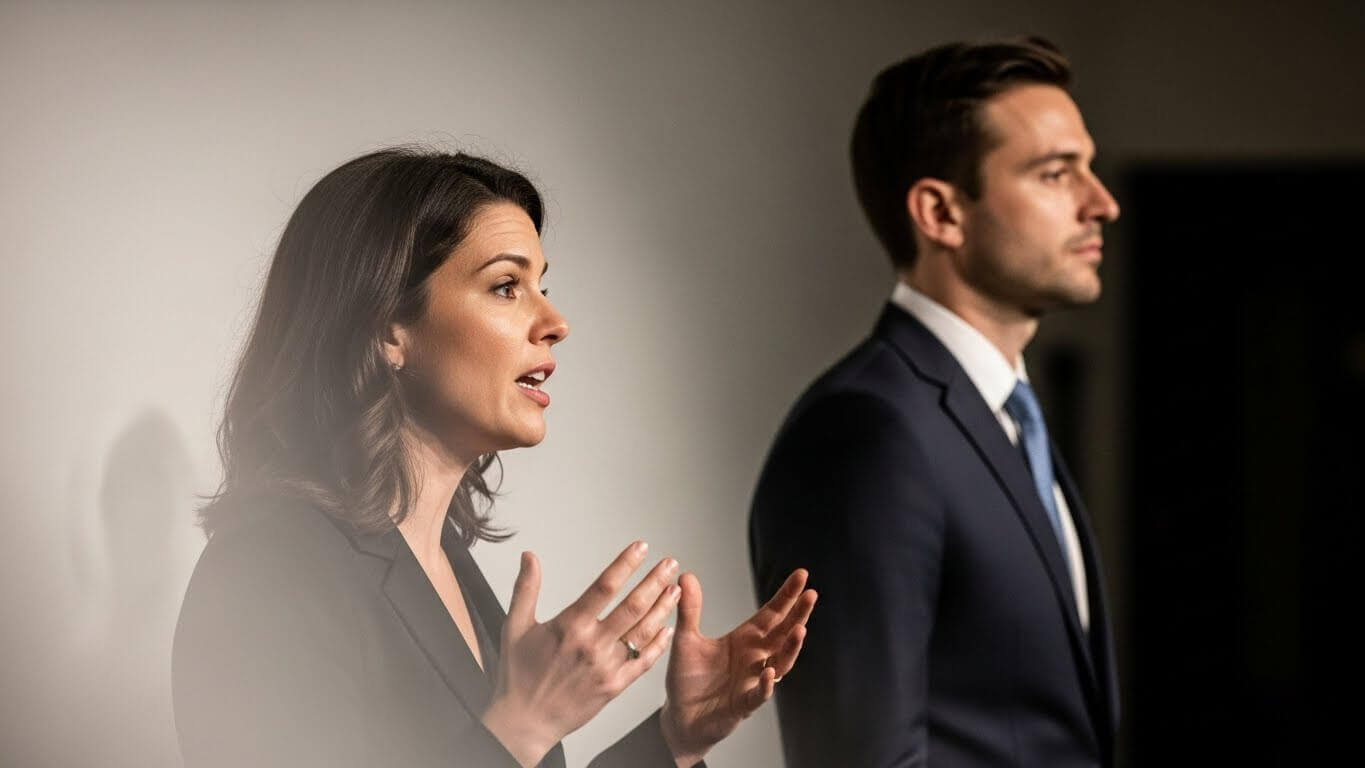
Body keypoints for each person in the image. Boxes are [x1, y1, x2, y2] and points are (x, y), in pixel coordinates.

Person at [173, 148, 817, 768]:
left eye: (541, 285)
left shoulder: (446, 561)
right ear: (388, 328)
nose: (555, 321)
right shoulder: (269, 567)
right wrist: (525, 725)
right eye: (507, 286)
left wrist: (675, 740)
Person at [748, 38, 1121, 767]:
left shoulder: (1004, 417)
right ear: (941, 212)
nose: (1101, 203)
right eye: (1055, 173)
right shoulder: (867, 429)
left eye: (1088, 167)